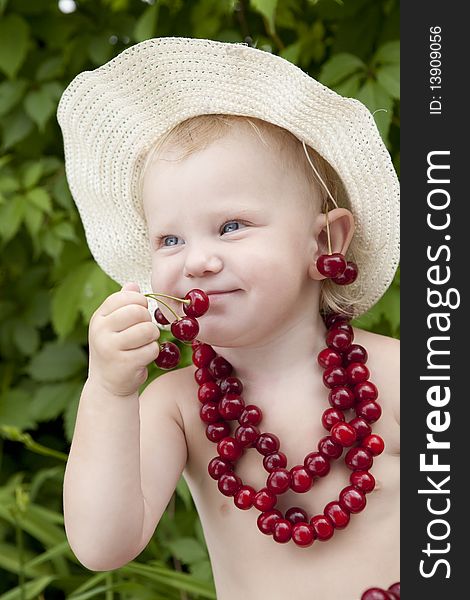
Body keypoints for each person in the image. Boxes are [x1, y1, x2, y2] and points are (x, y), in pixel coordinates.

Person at [57, 37, 400, 600]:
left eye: (232, 225)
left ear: (324, 242)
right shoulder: (178, 407)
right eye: (169, 238)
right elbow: (102, 546)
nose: (198, 260)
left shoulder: (401, 375)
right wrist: (109, 393)